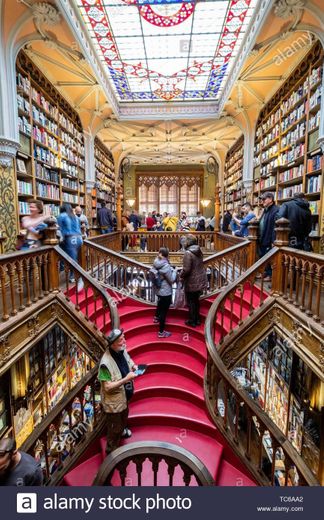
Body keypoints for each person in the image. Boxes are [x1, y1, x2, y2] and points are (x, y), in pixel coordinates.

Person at [98, 329, 137, 455]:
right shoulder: (105, 363)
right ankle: (111, 453)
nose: (124, 341)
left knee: (124, 416)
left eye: (124, 338)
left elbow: (128, 359)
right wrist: (126, 379)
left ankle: (122, 431)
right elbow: (107, 387)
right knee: (114, 428)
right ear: (113, 344)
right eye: (121, 340)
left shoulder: (121, 349)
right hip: (114, 403)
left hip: (124, 397)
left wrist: (134, 366)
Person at [180, 235, 208, 327]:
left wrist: (181, 275)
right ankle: (197, 319)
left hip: (192, 281)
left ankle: (192, 321)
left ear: (188, 242)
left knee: (191, 302)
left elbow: (186, 269)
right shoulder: (199, 250)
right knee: (196, 301)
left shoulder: (188, 253)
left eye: (185, 241)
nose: (184, 243)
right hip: (200, 280)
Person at [152, 247, 177, 338]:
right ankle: (161, 332)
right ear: (166, 255)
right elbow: (171, 280)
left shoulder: (156, 262)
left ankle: (155, 318)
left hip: (158, 289)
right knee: (164, 311)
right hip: (165, 291)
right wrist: (174, 271)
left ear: (160, 254)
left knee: (160, 303)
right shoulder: (166, 266)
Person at [57, 203, 83, 282]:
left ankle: (74, 276)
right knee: (74, 257)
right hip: (79, 239)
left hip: (70, 239)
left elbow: (58, 229)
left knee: (72, 259)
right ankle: (66, 270)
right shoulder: (75, 216)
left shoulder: (61, 216)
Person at [258, 192, 279, 281]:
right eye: (262, 199)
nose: (262, 201)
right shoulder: (265, 210)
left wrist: (273, 240)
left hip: (269, 238)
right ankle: (265, 272)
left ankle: (270, 275)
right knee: (263, 256)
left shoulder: (276, 210)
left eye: (264, 199)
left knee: (269, 258)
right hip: (262, 237)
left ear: (270, 199)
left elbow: (275, 226)